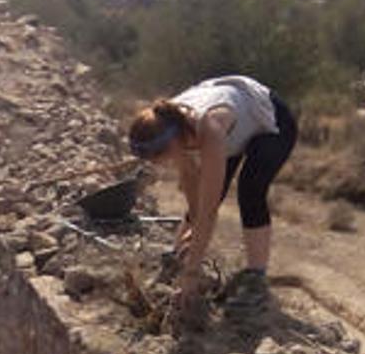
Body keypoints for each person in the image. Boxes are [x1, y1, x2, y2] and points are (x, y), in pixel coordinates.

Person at [127, 75, 298, 309]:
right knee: (209, 194)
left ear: (173, 143)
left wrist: (192, 272)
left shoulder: (210, 129)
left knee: (250, 190)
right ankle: (175, 257)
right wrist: (192, 233)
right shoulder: (169, 121)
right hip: (236, 120)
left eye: (159, 158)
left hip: (272, 122)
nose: (159, 165)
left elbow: (208, 212)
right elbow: (191, 182)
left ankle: (256, 279)